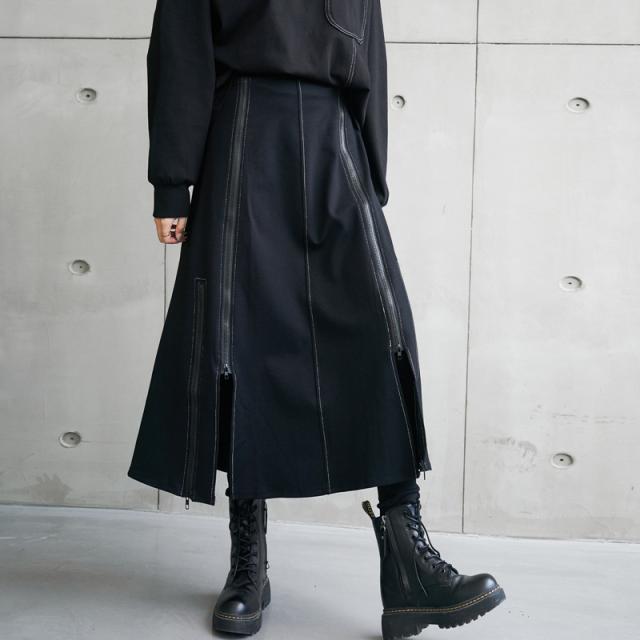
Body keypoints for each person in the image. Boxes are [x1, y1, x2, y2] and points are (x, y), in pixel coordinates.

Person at [126, 1, 506, 638]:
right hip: (243, 131)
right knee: (241, 341)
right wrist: (172, 181)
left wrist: (370, 172)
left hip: (337, 138)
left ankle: (409, 563)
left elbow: (369, 51)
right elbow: (181, 44)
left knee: (382, 336)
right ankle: (248, 563)